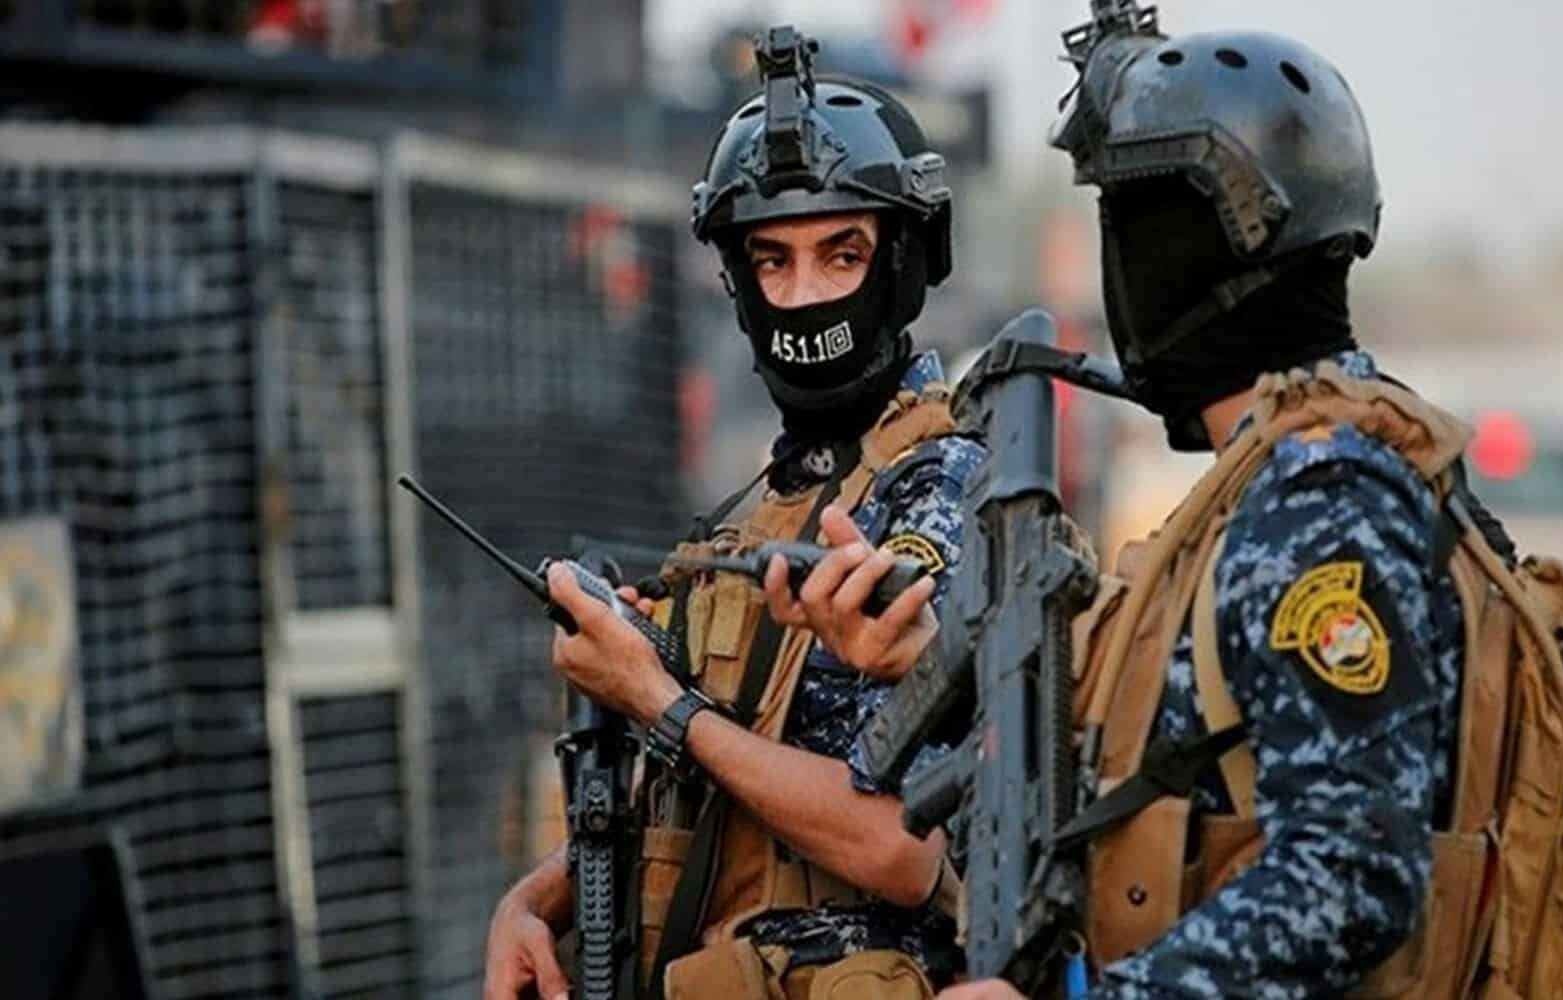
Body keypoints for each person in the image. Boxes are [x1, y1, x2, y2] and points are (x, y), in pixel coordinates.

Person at [944, 16, 1483, 1000]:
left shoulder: (1322, 504)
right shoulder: (1298, 471)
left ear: (1203, 240)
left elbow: (1353, 874)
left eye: (1130, 223)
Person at [482, 25, 984, 1000]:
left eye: (841, 254)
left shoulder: (945, 487)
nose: (803, 297)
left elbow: (897, 849)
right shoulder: (766, 506)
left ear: (903, 263)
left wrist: (660, 702)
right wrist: (531, 902)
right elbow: (715, 798)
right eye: (772, 261)